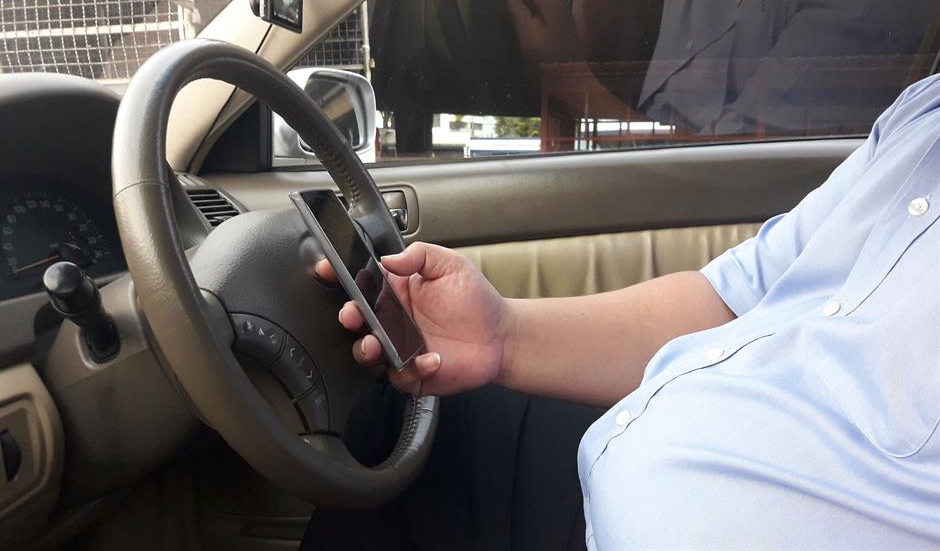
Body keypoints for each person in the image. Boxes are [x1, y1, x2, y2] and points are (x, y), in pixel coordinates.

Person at [303, 73, 939, 548]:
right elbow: (733, 297)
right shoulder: (923, 119)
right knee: (411, 418)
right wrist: (503, 335)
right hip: (618, 484)